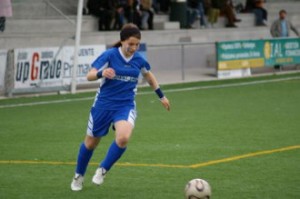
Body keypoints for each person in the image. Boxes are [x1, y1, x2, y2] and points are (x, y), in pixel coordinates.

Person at [70, 23, 171, 191]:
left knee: (123, 138)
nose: (134, 47)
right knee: (90, 144)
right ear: (122, 41)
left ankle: (102, 170)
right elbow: (89, 75)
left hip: (125, 106)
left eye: (137, 44)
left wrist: (162, 96)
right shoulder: (109, 55)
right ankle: (78, 176)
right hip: (103, 105)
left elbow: (149, 77)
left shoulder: (139, 60)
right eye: (130, 44)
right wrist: (102, 73)